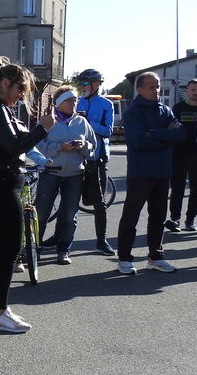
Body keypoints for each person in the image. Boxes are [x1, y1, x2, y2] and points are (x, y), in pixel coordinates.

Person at [0, 56, 54, 332]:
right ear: (5, 83)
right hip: (0, 184)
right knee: (7, 250)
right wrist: (43, 128)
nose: (22, 96)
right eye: (20, 89)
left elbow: (14, 143)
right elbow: (12, 147)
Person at [115, 72, 186, 275]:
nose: (157, 90)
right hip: (140, 172)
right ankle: (124, 259)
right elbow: (138, 140)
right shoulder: (133, 112)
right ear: (140, 89)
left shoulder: (165, 110)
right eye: (152, 87)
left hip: (163, 172)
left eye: (158, 86)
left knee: (158, 217)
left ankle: (156, 256)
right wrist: (166, 134)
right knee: (131, 215)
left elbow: (180, 134)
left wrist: (154, 132)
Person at [33, 85, 97, 265]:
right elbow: (38, 147)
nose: (73, 103)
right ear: (59, 103)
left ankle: (64, 250)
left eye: (75, 100)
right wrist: (60, 147)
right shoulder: (47, 121)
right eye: (69, 100)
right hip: (51, 173)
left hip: (75, 174)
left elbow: (93, 147)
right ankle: (34, 249)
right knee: (42, 213)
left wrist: (84, 146)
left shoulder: (81, 122)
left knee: (70, 215)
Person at [74, 69, 116, 255]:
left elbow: (108, 131)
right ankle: (60, 236)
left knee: (99, 202)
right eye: (80, 84)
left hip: (96, 158)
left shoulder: (106, 104)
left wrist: (87, 121)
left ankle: (102, 240)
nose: (82, 88)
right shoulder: (77, 102)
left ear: (96, 84)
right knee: (69, 199)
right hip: (77, 156)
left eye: (85, 84)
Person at [166, 79, 197, 232]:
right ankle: (175, 219)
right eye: (193, 90)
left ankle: (190, 220)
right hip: (179, 153)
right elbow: (170, 127)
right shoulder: (178, 108)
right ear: (187, 91)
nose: (196, 92)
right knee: (177, 187)